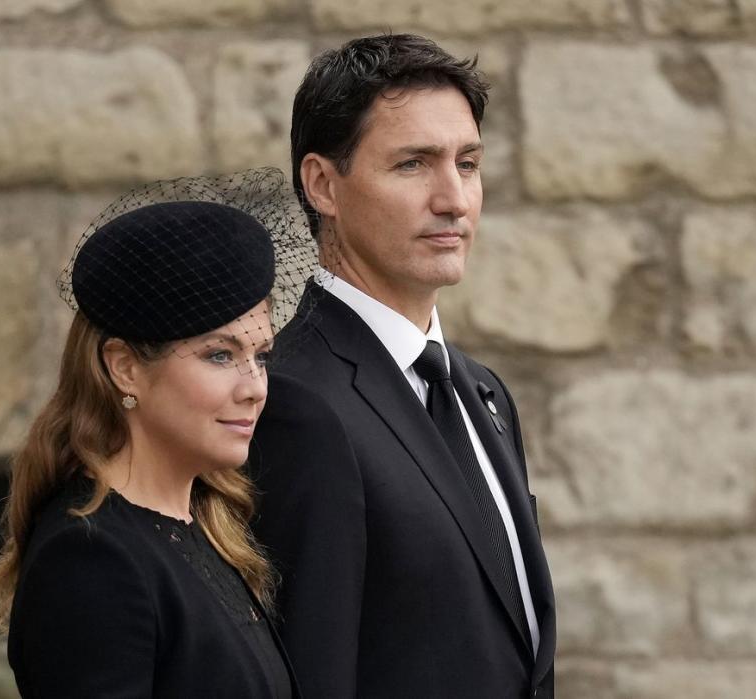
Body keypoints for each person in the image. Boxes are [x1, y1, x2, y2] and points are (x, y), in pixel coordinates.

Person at [248, 34, 556, 698]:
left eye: (467, 163)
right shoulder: (292, 401)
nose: (454, 199)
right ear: (323, 184)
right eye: (415, 164)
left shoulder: (484, 393)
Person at [0, 171, 313, 698]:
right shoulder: (92, 560)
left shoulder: (202, 524)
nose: (255, 389)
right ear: (125, 368)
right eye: (220, 355)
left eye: (260, 356)